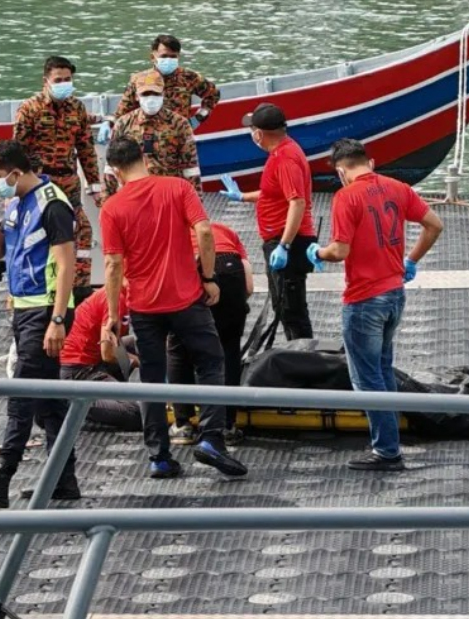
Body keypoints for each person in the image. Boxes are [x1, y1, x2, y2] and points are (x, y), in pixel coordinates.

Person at [99, 137, 247, 479]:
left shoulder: (112, 208)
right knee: (212, 362)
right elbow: (205, 231)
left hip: (144, 306)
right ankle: (211, 437)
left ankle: (159, 456)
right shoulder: (178, 188)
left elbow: (112, 265)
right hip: (186, 298)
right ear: (145, 160)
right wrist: (209, 277)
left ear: (117, 172)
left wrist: (111, 316)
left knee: (152, 379)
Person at [307, 138, 444, 471]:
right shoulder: (397, 187)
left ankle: (386, 450)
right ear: (369, 162)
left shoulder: (346, 197)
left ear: (341, 171)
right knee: (382, 371)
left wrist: (316, 252)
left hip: (364, 299)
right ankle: (389, 443)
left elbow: (339, 251)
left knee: (367, 380)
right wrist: (410, 260)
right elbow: (434, 225)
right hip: (395, 293)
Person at [0, 140, 80, 508]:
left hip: (46, 310)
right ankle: (64, 479)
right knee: (49, 403)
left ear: (15, 172)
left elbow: (66, 266)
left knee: (21, 397)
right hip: (24, 308)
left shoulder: (52, 203)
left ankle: (0, 478)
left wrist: (58, 319)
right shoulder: (14, 204)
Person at [217, 103, 317, 341]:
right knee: (282, 306)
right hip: (280, 239)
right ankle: (299, 355)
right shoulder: (282, 153)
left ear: (259, 133)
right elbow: (276, 194)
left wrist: (284, 245)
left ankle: (306, 362)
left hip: (288, 241)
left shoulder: (285, 158)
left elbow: (297, 201)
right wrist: (242, 196)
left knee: (291, 310)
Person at [13, 55, 103, 300]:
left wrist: (95, 187)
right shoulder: (29, 109)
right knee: (40, 236)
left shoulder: (77, 108)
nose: (64, 83)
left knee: (82, 231)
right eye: (58, 80)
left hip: (69, 183)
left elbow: (85, 149)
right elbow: (18, 151)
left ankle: (80, 288)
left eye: (68, 79)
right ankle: (38, 287)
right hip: (40, 184)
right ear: (46, 81)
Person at [170, 221, 254, 446]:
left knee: (179, 348)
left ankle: (183, 423)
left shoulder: (173, 228)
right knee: (229, 349)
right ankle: (227, 425)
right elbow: (249, 284)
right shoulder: (226, 230)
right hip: (231, 268)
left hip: (193, 266)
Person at [105, 70, 201, 193]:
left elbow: (190, 169)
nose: (151, 98)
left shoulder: (179, 124)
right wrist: (107, 202)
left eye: (155, 93)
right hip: (134, 196)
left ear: (163, 94)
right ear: (136, 96)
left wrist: (195, 205)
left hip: (168, 195)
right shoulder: (123, 124)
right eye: (145, 94)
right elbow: (111, 167)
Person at [115, 34, 220, 128]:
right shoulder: (140, 80)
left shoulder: (190, 78)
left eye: (173, 56)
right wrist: (109, 123)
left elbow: (213, 94)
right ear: (153, 57)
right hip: (146, 138)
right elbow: (122, 112)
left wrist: (199, 117)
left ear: (178, 57)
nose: (168, 60)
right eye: (164, 56)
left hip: (179, 137)